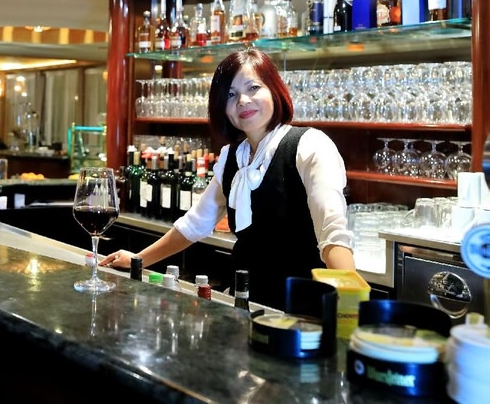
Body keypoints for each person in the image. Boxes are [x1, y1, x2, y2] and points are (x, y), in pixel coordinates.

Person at [100, 47, 354, 310]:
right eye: (231, 94)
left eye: (253, 87)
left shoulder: (310, 146)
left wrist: (351, 305)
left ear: (275, 90)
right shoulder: (232, 157)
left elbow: (333, 232)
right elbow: (194, 225)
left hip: (303, 310)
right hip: (246, 303)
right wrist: (138, 260)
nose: (242, 100)